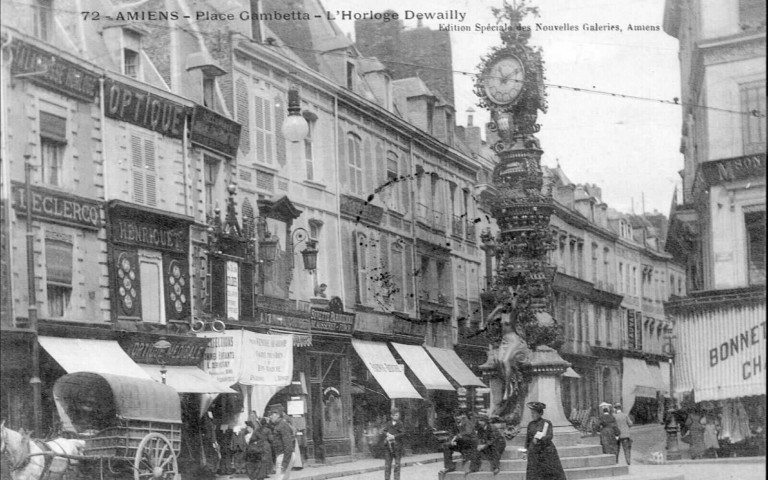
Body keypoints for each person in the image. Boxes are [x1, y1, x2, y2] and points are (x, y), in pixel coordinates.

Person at [523, 402, 566, 480]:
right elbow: (528, 439)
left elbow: (549, 436)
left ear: (540, 413)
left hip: (546, 453)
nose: (532, 415)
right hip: (534, 454)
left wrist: (539, 440)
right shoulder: (530, 424)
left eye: (534, 413)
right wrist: (525, 451)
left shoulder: (546, 423)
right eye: (532, 413)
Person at [440, 410, 478, 475]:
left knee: (461, 438)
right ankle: (449, 466)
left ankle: (466, 455)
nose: (456, 418)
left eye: (458, 416)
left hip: (470, 444)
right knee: (446, 446)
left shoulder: (467, 422)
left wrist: (456, 438)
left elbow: (468, 433)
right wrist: (451, 440)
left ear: (463, 415)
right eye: (455, 416)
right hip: (461, 443)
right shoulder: (456, 424)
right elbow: (452, 434)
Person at [269, 406, 295, 480]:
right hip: (283, 455)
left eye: (271, 415)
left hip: (283, 456)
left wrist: (285, 463)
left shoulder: (282, 425)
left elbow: (288, 444)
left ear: (277, 415)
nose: (270, 417)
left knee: (280, 477)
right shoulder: (278, 425)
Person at [381, 408, 405, 480]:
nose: (396, 417)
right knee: (387, 465)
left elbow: (403, 433)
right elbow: (384, 431)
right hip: (388, 447)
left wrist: (393, 436)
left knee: (397, 465)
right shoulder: (388, 423)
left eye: (397, 415)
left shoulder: (400, 424)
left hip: (397, 447)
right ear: (391, 416)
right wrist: (387, 434)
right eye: (394, 415)